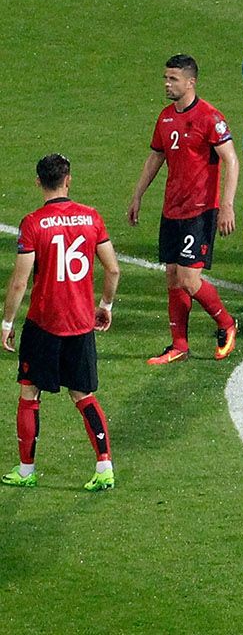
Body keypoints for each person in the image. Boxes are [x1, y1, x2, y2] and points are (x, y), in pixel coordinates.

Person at [3, 155, 121, 492]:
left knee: (30, 391)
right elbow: (113, 269)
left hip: (44, 323)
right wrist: (105, 305)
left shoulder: (33, 223)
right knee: (83, 394)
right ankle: (104, 467)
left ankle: (26, 470)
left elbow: (19, 283)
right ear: (68, 180)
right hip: (81, 323)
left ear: (38, 182)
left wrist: (7, 323)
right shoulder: (91, 217)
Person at [126, 55, 239, 365]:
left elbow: (231, 160)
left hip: (200, 211)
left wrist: (227, 205)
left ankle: (227, 323)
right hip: (172, 209)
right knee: (173, 278)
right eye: (166, 78)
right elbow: (155, 157)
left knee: (189, 279)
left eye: (173, 79)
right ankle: (179, 345)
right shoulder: (165, 118)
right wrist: (137, 195)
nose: (167, 83)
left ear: (191, 82)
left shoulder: (210, 118)